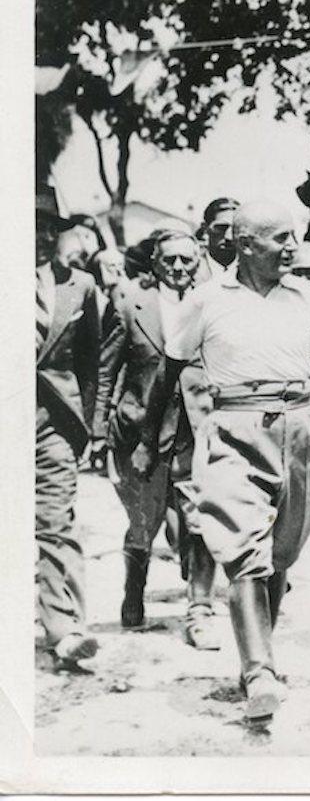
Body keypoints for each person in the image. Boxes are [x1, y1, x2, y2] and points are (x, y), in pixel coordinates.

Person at [150, 200, 310, 721]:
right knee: (245, 550)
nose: (293, 247)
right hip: (234, 427)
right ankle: (259, 672)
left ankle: (258, 651)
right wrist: (149, 435)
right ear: (246, 245)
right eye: (281, 239)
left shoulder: (307, 295)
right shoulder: (208, 299)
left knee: (281, 552)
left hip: (299, 429)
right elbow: (170, 367)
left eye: (295, 237)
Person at [93, 227, 219, 650]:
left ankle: (199, 607)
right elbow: (107, 369)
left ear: (198, 259)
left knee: (200, 517)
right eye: (170, 261)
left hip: (196, 429)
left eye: (187, 260)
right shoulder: (131, 303)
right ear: (155, 263)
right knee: (142, 524)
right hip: (140, 429)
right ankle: (133, 593)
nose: (179, 268)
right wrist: (97, 430)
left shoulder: (213, 301)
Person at [35, 187, 102, 671]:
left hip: (52, 422)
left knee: (55, 522)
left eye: (45, 226)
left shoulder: (79, 287)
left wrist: (87, 428)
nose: (37, 236)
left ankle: (65, 629)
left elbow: (90, 364)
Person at [197, 197, 240, 282]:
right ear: (205, 228)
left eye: (235, 229)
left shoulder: (256, 272)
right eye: (221, 228)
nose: (229, 237)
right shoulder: (190, 271)